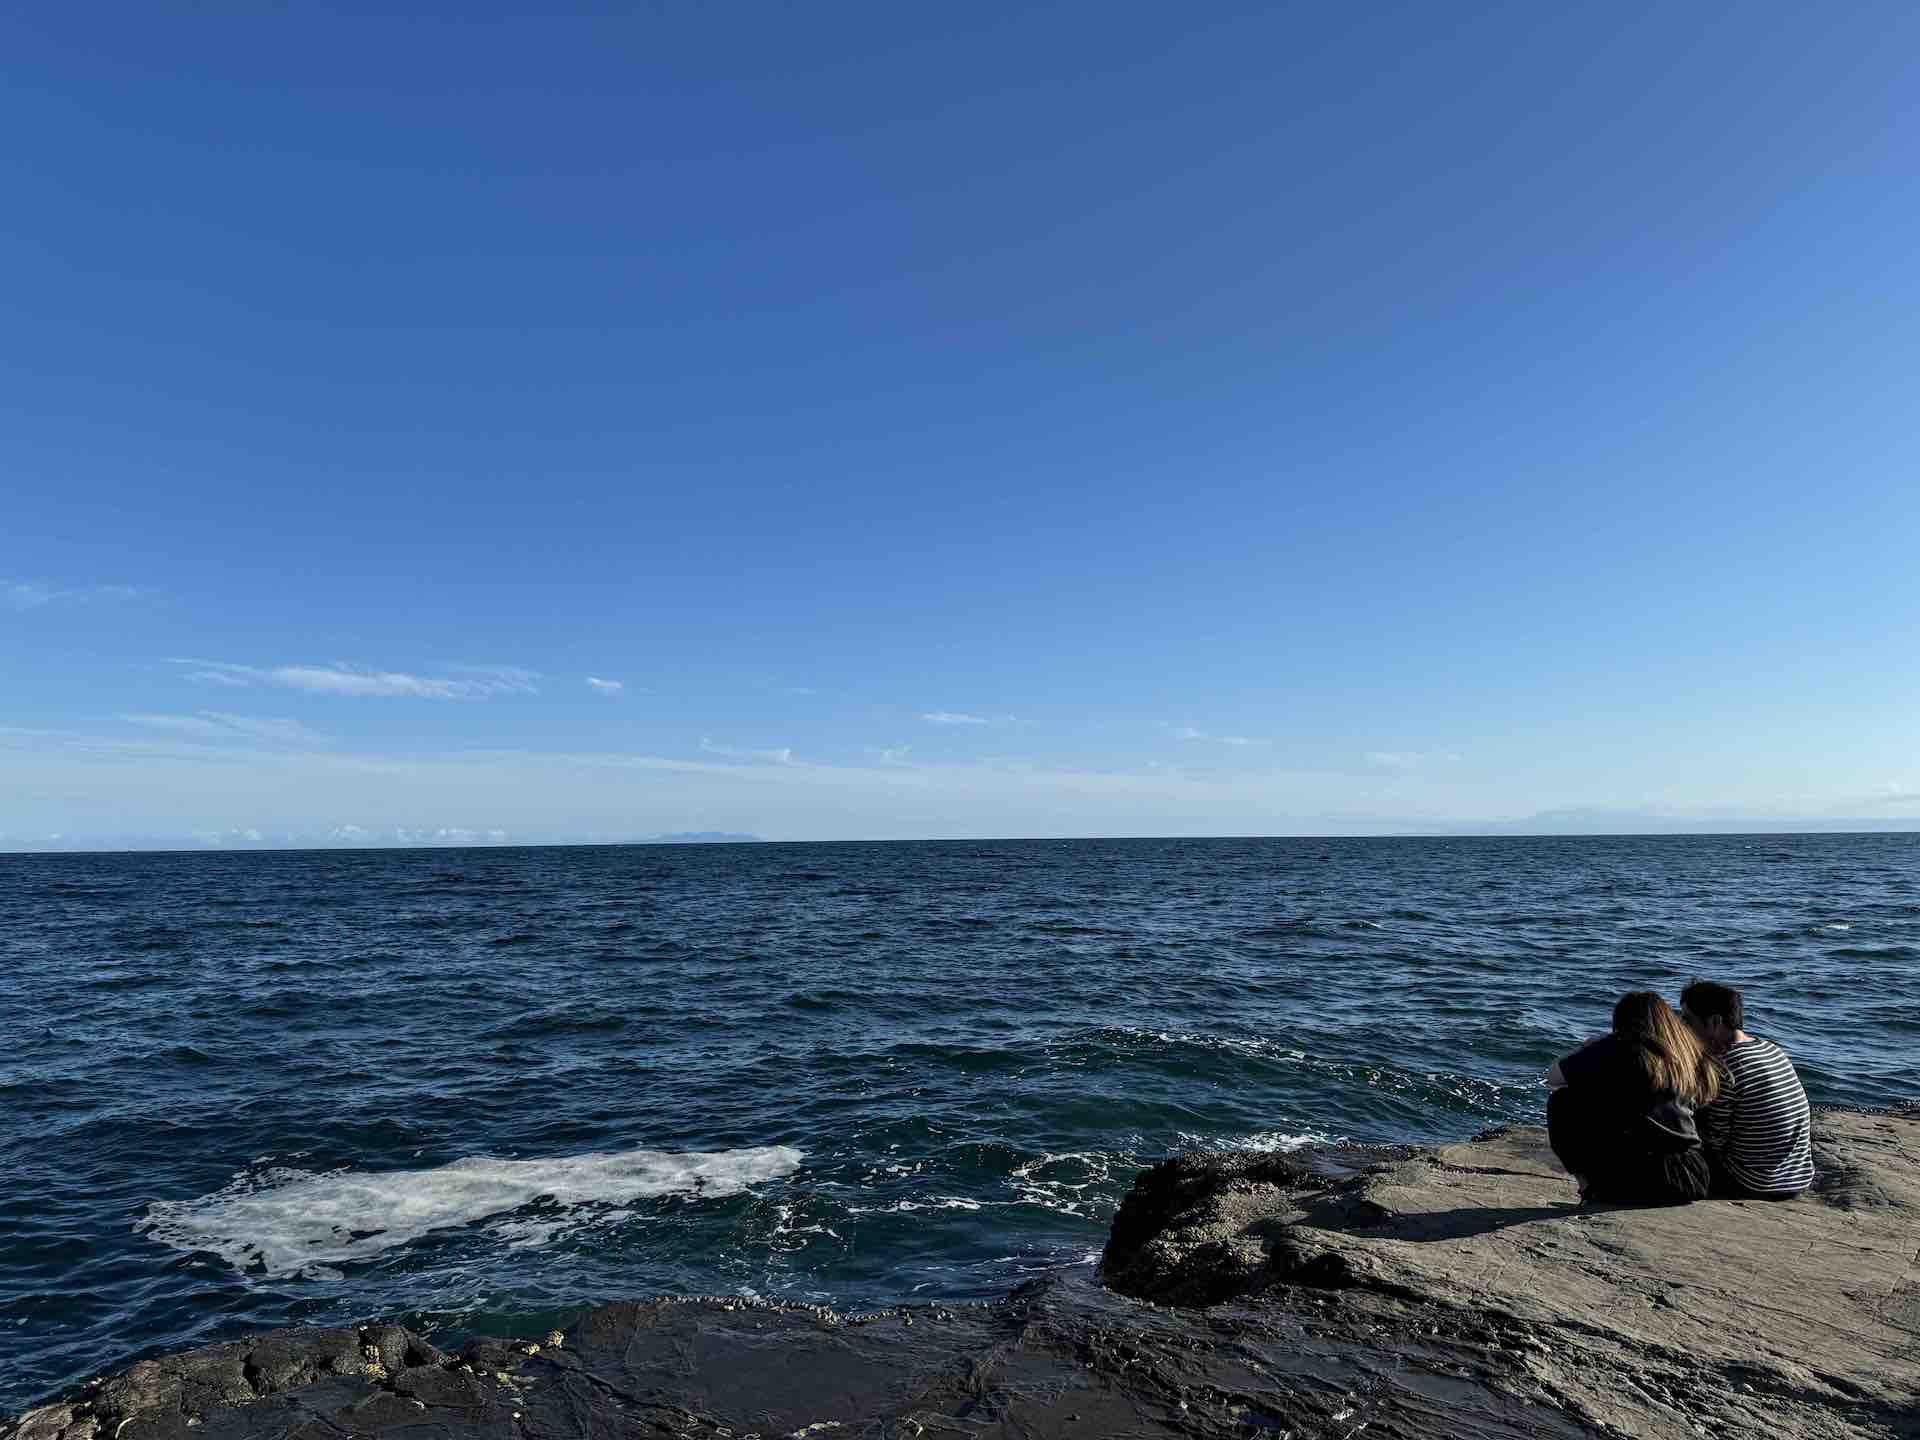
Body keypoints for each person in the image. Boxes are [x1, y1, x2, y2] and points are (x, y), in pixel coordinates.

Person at [1544, 991, 1720, 1205]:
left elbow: (1553, 1077)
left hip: (1637, 1178)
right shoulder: (1690, 1054)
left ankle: (1587, 1189)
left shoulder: (1620, 1045)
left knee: (1562, 1101)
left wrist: (1587, 1047)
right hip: (1692, 1176)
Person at [1679, 979, 1814, 1199]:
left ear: (1714, 1022)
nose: (1681, 1027)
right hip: (1796, 1178)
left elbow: (1714, 1141)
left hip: (1752, 1182)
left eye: (1687, 1020)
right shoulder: (1772, 1049)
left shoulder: (1724, 1069)